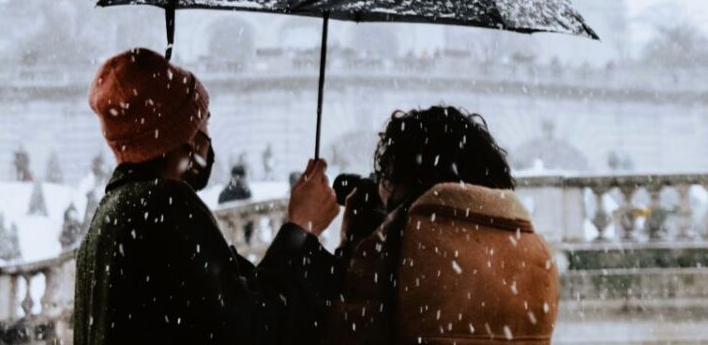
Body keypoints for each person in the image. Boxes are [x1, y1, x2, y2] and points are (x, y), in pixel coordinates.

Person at [73, 48, 339, 344]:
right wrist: (302, 228)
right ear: (186, 137)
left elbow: (232, 304)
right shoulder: (167, 205)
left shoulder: (111, 212)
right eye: (204, 123)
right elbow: (253, 328)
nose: (208, 141)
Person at [327, 105, 559, 344]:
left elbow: (344, 332)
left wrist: (350, 245)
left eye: (386, 176)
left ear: (406, 177)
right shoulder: (537, 251)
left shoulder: (400, 243)